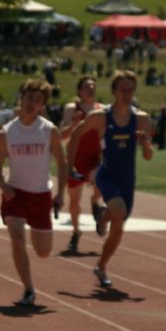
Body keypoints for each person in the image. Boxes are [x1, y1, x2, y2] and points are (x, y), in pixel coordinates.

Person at [67, 70, 153, 288]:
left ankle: (101, 265)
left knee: (118, 228)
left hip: (127, 180)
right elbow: (76, 134)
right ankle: (107, 213)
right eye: (122, 89)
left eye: (130, 89)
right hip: (106, 176)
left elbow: (148, 156)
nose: (127, 93)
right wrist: (70, 165)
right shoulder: (100, 117)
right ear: (114, 91)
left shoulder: (142, 119)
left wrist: (145, 144)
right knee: (120, 211)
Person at [0, 79, 66, 306]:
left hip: (41, 196)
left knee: (43, 251)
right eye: (28, 98)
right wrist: (5, 187)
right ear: (21, 98)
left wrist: (60, 195)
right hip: (15, 195)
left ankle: (36, 237)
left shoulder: (48, 131)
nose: (31, 103)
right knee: (17, 239)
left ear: (42, 105)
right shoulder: (5, 134)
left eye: (37, 100)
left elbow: (62, 164)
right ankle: (29, 289)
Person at [60, 76, 104, 254]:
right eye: (87, 86)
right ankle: (76, 232)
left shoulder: (102, 109)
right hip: (76, 159)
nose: (91, 89)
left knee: (102, 178)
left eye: (93, 86)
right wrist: (75, 124)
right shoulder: (72, 109)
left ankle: (95, 202)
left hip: (95, 157)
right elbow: (62, 136)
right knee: (74, 201)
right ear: (79, 91)